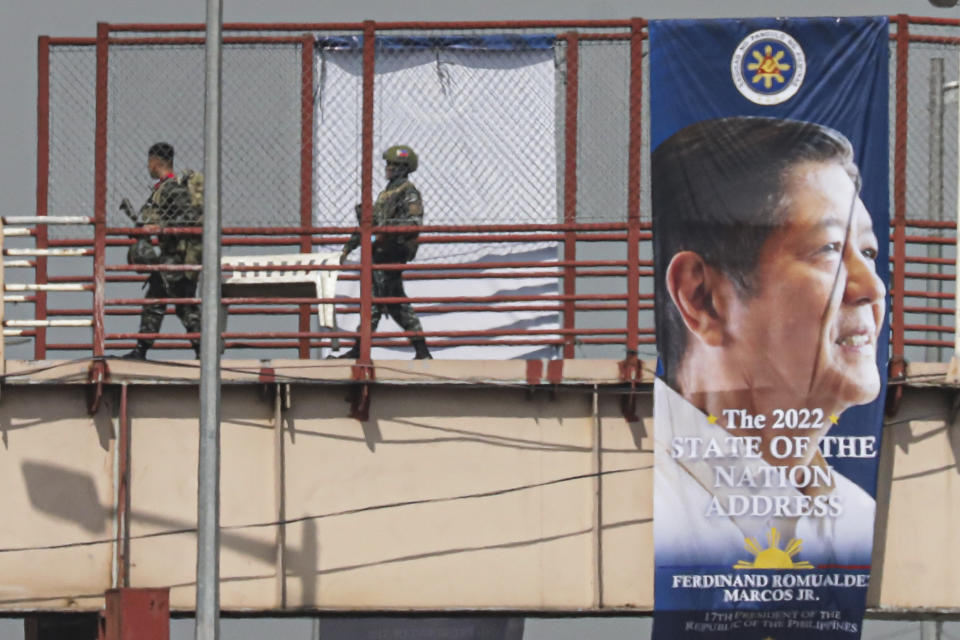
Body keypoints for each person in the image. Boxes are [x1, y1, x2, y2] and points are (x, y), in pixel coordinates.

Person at [651, 117, 885, 567]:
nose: (872, 287)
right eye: (831, 249)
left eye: (869, 252)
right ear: (702, 296)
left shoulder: (859, 521)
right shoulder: (636, 502)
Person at [336, 145, 431, 360]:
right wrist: (348, 247)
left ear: (402, 168)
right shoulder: (387, 193)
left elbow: (413, 223)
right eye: (388, 164)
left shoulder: (408, 192)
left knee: (391, 302)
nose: (387, 168)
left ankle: (420, 350)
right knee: (379, 302)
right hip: (378, 253)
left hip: (392, 252)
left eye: (392, 164)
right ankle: (362, 349)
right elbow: (368, 225)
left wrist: (384, 230)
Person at [120, 142, 203, 360]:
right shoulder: (163, 188)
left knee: (182, 306)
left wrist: (160, 228)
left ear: (155, 161)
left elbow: (190, 219)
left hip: (176, 258)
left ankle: (203, 348)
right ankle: (142, 349)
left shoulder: (172, 188)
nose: (148, 166)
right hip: (170, 257)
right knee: (157, 302)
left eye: (149, 161)